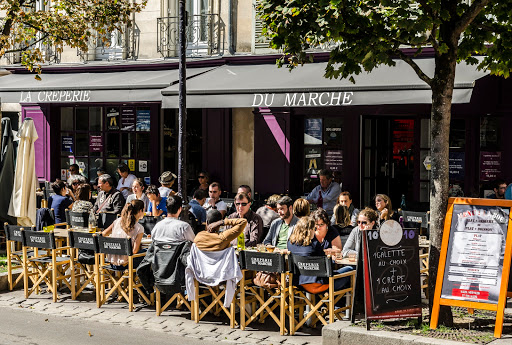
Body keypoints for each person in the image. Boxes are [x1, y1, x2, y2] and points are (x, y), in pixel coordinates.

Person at [288, 216, 353, 294]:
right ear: (310, 230)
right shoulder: (314, 246)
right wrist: (332, 260)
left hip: (300, 284)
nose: (315, 231)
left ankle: (328, 304)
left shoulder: (290, 244)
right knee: (350, 269)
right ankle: (340, 305)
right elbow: (326, 266)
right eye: (314, 229)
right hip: (320, 285)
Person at [101, 199, 145, 269]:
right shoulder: (139, 228)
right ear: (140, 211)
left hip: (112, 262)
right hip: (127, 264)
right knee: (149, 252)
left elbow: (103, 234)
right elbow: (134, 251)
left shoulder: (117, 221)